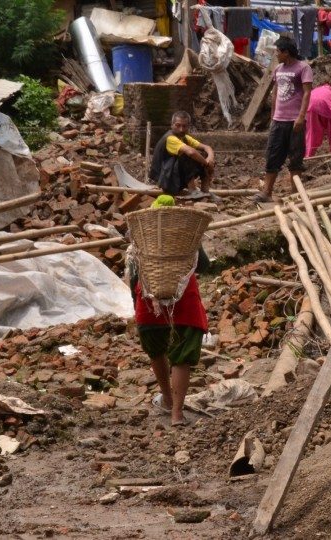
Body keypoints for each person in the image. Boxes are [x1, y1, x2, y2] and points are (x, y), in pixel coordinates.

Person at [131, 195, 210, 427]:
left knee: (157, 352)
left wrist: (137, 305)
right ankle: (177, 413)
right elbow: (203, 265)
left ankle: (166, 398)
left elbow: (134, 274)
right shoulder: (186, 235)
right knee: (181, 358)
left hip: (148, 306)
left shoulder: (142, 233)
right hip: (183, 304)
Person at [254, 37, 313, 203]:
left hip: (295, 120)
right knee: (273, 155)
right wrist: (273, 116)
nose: (276, 54)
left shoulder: (303, 68)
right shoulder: (278, 69)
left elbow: (307, 93)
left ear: (286, 52)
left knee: (295, 158)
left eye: (278, 51)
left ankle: (295, 194)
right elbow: (275, 92)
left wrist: (301, 117)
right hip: (278, 121)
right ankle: (266, 192)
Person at [149, 111, 218, 201]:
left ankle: (205, 191)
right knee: (187, 154)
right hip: (165, 180)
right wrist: (206, 164)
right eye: (178, 125)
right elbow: (191, 152)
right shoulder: (170, 138)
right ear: (172, 125)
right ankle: (193, 190)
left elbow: (206, 147)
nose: (181, 129)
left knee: (204, 155)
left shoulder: (184, 137)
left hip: (175, 176)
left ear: (188, 126)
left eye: (184, 126)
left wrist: (210, 158)